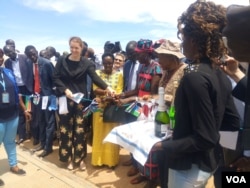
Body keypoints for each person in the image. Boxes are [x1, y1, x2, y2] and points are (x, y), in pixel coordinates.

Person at [151, 1, 240, 187]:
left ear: (193, 41)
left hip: (188, 167)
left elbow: (205, 138)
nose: (182, 44)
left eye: (183, 38)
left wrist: (162, 145)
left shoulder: (193, 75)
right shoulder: (220, 73)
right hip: (210, 162)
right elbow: (231, 121)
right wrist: (200, 126)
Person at [53, 36, 113, 170]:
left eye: (77, 48)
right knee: (65, 130)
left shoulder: (86, 63)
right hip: (66, 99)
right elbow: (55, 78)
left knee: (80, 130)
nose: (74, 50)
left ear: (81, 48)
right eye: (72, 48)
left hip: (81, 101)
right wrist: (65, 89)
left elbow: (95, 77)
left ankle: (79, 159)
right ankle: (67, 158)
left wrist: (107, 88)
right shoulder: (62, 60)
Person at [221, 4, 250, 172]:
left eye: (229, 36)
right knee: (229, 177)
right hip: (234, 137)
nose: (227, 43)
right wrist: (235, 73)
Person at [91, 52, 123, 168]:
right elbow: (95, 89)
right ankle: (98, 160)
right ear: (102, 63)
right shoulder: (97, 74)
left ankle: (111, 161)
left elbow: (119, 90)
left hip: (112, 108)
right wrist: (107, 94)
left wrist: (109, 97)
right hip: (99, 108)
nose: (108, 65)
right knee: (99, 134)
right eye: (105, 63)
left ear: (113, 62)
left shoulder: (119, 75)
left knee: (112, 133)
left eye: (110, 63)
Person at [25, 45, 56, 158]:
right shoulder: (29, 64)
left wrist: (53, 97)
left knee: (49, 122)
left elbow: (54, 81)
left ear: (37, 52)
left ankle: (48, 147)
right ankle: (42, 144)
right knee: (41, 120)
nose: (33, 56)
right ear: (27, 56)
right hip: (37, 97)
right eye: (30, 55)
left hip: (48, 97)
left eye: (34, 53)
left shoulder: (46, 63)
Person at [3, 45, 33, 145]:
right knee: (21, 112)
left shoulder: (24, 57)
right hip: (18, 89)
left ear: (14, 49)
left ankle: (32, 134)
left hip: (28, 88)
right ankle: (22, 136)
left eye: (11, 52)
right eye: (7, 54)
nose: (10, 55)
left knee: (30, 110)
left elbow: (30, 72)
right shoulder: (7, 62)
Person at [0, 67, 26, 179]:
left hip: (12, 114)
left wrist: (24, 109)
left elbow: (17, 92)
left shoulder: (8, 72)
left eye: (0, 56)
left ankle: (13, 165)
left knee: (10, 141)